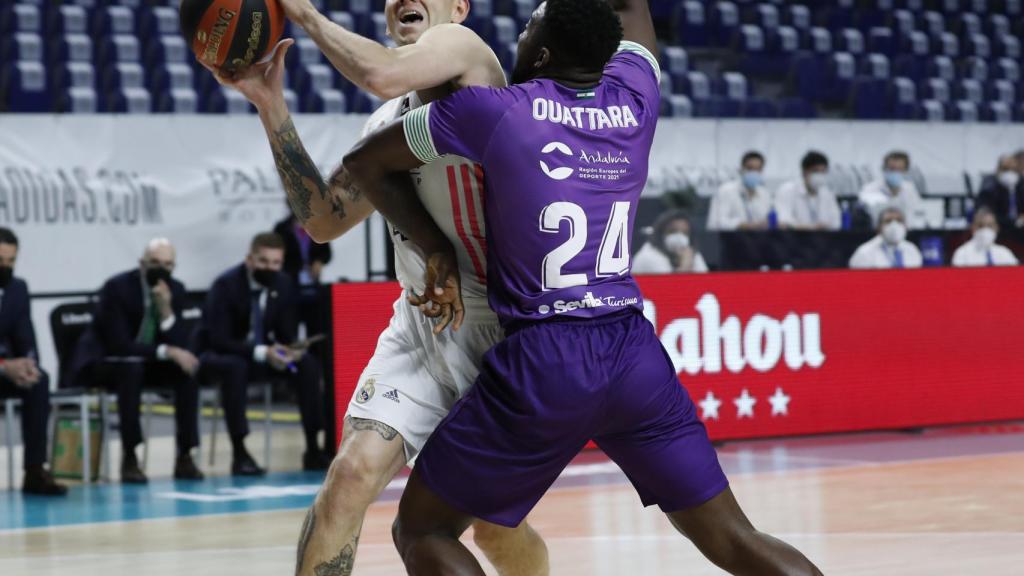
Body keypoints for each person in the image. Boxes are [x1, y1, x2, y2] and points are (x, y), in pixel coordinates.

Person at [343, 0, 823, 573]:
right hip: (632, 353)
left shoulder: (492, 111)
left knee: (423, 529)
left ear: (542, 53)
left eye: (528, 27)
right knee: (737, 540)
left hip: (546, 358)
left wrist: (435, 246)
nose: (519, 35)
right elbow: (632, 9)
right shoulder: (636, 96)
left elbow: (364, 163)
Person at [201, 0, 548, 573]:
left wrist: (303, 14)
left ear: (459, 8)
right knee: (348, 478)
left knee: (492, 524)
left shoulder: (469, 55)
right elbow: (323, 221)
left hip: (498, 338)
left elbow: (380, 71)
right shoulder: (385, 122)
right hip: (420, 327)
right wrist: (270, 104)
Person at [196, 233, 328, 476]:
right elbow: (219, 340)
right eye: (263, 262)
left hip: (265, 358)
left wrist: (288, 351)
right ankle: (240, 452)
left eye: (275, 263)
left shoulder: (284, 284)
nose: (270, 268)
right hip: (221, 357)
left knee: (306, 364)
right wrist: (262, 351)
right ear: (249, 259)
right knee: (235, 367)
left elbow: (285, 333)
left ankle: (313, 446)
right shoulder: (225, 286)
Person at [74, 238, 202, 483]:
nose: (161, 269)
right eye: (155, 262)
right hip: (105, 362)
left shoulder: (177, 289)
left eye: (167, 264)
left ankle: (185, 455)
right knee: (131, 369)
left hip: (146, 363)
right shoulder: (117, 288)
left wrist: (166, 311)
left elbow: (182, 343)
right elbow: (119, 345)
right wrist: (168, 351)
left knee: (185, 372)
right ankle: (130, 456)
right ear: (141, 263)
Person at [0, 228, 66, 495]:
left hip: (7, 372)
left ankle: (35, 470)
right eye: (0, 259)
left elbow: (26, 335)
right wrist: (4, 366)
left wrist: (28, 364)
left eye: (10, 261)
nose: (5, 266)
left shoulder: (18, 288)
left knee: (40, 380)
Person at [273, 209, 331, 352]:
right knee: (288, 333)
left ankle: (316, 368)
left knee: (316, 333)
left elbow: (327, 252)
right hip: (290, 288)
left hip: (313, 288)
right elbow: (275, 254)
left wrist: (319, 261)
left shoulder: (317, 225)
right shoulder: (282, 228)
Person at [707, 151, 773, 231]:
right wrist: (742, 225)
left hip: (759, 240)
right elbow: (715, 223)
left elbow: (767, 220)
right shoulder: (726, 190)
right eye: (750, 168)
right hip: (730, 240)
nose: (754, 173)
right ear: (741, 169)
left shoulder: (764, 194)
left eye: (758, 169)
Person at [775, 150, 842, 231]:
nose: (819, 176)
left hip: (823, 240)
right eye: (815, 171)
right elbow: (783, 222)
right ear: (804, 172)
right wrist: (812, 227)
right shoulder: (787, 190)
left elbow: (836, 223)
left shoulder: (827, 193)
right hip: (794, 239)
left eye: (823, 172)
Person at [858, 150, 924, 230]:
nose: (896, 173)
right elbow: (867, 216)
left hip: (907, 234)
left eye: (899, 169)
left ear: (905, 171)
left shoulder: (910, 189)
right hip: (876, 234)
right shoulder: (869, 189)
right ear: (884, 168)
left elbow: (916, 214)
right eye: (892, 169)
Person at [632, 211, 709, 274]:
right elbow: (671, 288)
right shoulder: (649, 255)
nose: (679, 237)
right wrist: (686, 265)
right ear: (660, 233)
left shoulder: (689, 252)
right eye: (673, 231)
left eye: (685, 233)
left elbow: (706, 282)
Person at [849, 207, 923, 269]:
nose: (894, 226)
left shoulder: (912, 250)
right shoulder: (864, 253)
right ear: (879, 227)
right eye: (888, 221)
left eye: (899, 220)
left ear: (906, 226)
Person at [951, 207, 1019, 267]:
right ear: (973, 228)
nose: (985, 230)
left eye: (990, 226)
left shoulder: (1004, 253)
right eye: (981, 226)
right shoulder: (962, 253)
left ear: (997, 228)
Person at [976, 154, 1024, 230]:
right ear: (998, 169)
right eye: (1005, 169)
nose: (1010, 173)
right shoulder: (990, 186)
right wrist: (1013, 221)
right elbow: (985, 211)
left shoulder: (1021, 185)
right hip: (999, 228)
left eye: (1013, 170)